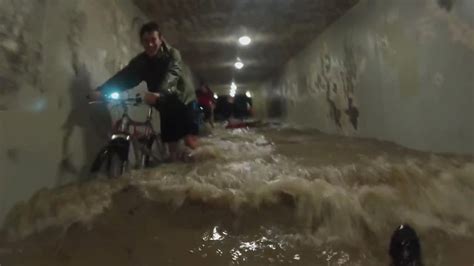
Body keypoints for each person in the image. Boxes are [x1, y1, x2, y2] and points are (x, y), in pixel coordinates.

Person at [88, 22, 198, 161]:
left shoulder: (172, 54)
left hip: (183, 99)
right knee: (172, 150)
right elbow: (124, 77)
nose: (150, 44)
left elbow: (172, 75)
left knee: (190, 143)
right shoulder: (140, 62)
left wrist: (160, 93)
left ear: (161, 39)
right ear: (141, 42)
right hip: (162, 101)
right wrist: (102, 91)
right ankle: (173, 161)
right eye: (146, 41)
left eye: (153, 40)